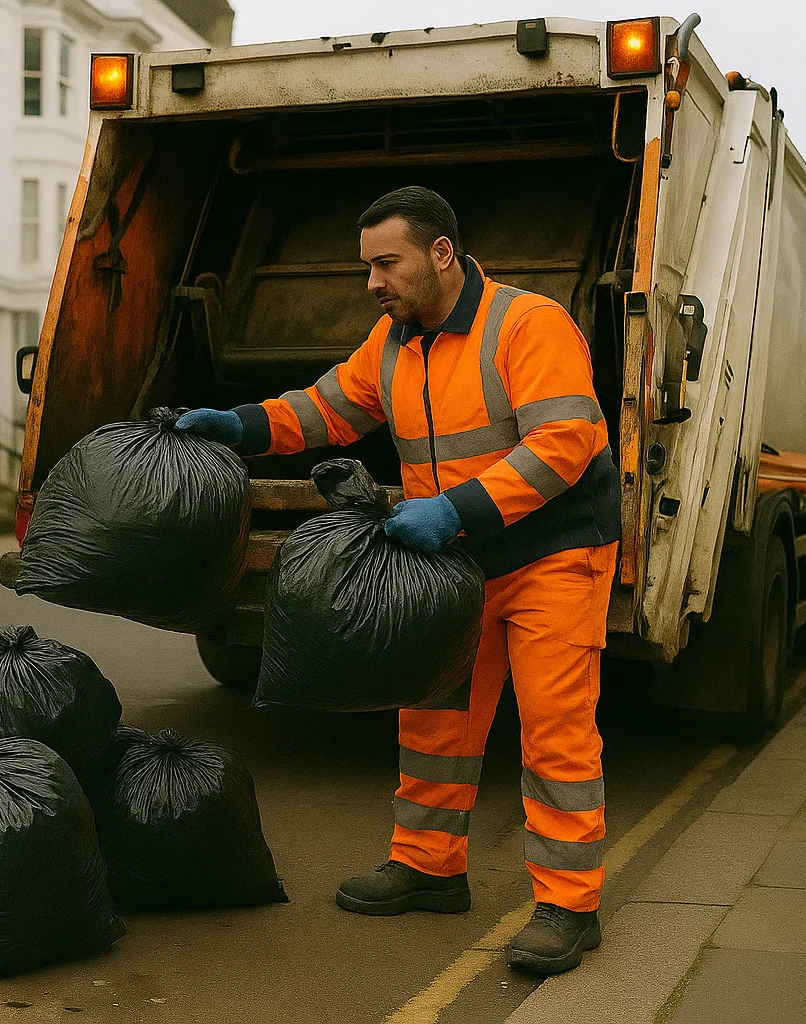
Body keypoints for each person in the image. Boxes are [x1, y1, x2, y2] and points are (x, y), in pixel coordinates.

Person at [176, 186, 621, 976]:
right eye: (368, 267)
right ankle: (428, 867)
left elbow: (566, 441)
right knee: (433, 716)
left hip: (552, 552)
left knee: (554, 728)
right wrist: (238, 424)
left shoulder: (527, 324)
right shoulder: (394, 341)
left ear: (441, 253)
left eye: (387, 263)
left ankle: (568, 904)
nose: (373, 283)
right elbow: (326, 411)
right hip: (459, 558)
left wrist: (453, 511)